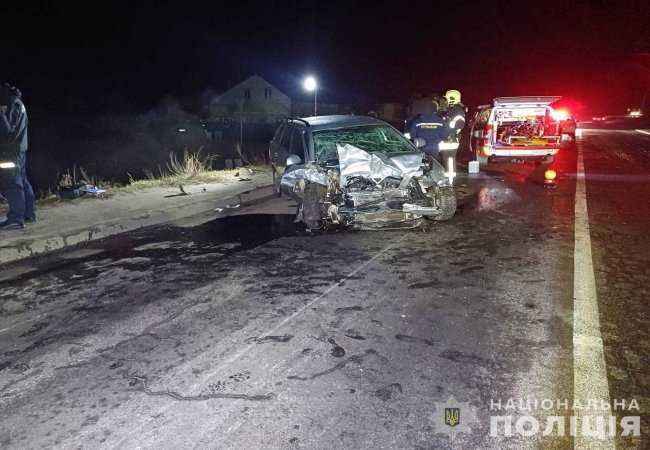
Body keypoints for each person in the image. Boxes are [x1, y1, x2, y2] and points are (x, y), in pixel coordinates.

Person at [0, 82, 35, 230]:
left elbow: (7, 131)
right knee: (22, 181)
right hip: (19, 150)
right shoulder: (17, 102)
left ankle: (16, 219)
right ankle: (29, 214)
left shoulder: (9, 103)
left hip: (9, 152)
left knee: (13, 184)